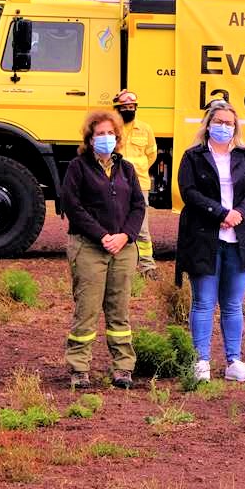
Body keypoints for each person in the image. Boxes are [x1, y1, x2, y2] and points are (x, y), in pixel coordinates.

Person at [176, 100, 245, 383]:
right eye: (219, 122)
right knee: (203, 302)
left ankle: (233, 361)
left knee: (233, 304)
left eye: (229, 123)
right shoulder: (193, 157)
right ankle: (201, 360)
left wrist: (239, 213)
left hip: (240, 239)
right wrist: (220, 213)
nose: (224, 127)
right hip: (205, 237)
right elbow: (188, 191)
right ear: (208, 125)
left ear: (236, 127)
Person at [58, 110, 145, 389]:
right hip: (89, 247)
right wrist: (103, 235)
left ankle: (123, 368)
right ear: (89, 138)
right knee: (87, 310)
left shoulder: (127, 169)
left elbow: (138, 207)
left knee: (119, 310)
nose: (105, 138)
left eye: (110, 133)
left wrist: (125, 236)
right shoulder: (78, 167)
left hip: (123, 249)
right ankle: (79, 368)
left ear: (118, 137)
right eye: (99, 134)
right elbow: (72, 206)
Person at [112, 90, 159, 278]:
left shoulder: (145, 129)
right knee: (116, 222)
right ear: (117, 109)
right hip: (115, 182)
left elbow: (151, 155)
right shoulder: (112, 129)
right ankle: (122, 266)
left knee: (141, 227)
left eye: (131, 107)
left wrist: (136, 170)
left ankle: (148, 267)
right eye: (124, 107)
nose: (128, 110)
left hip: (140, 183)